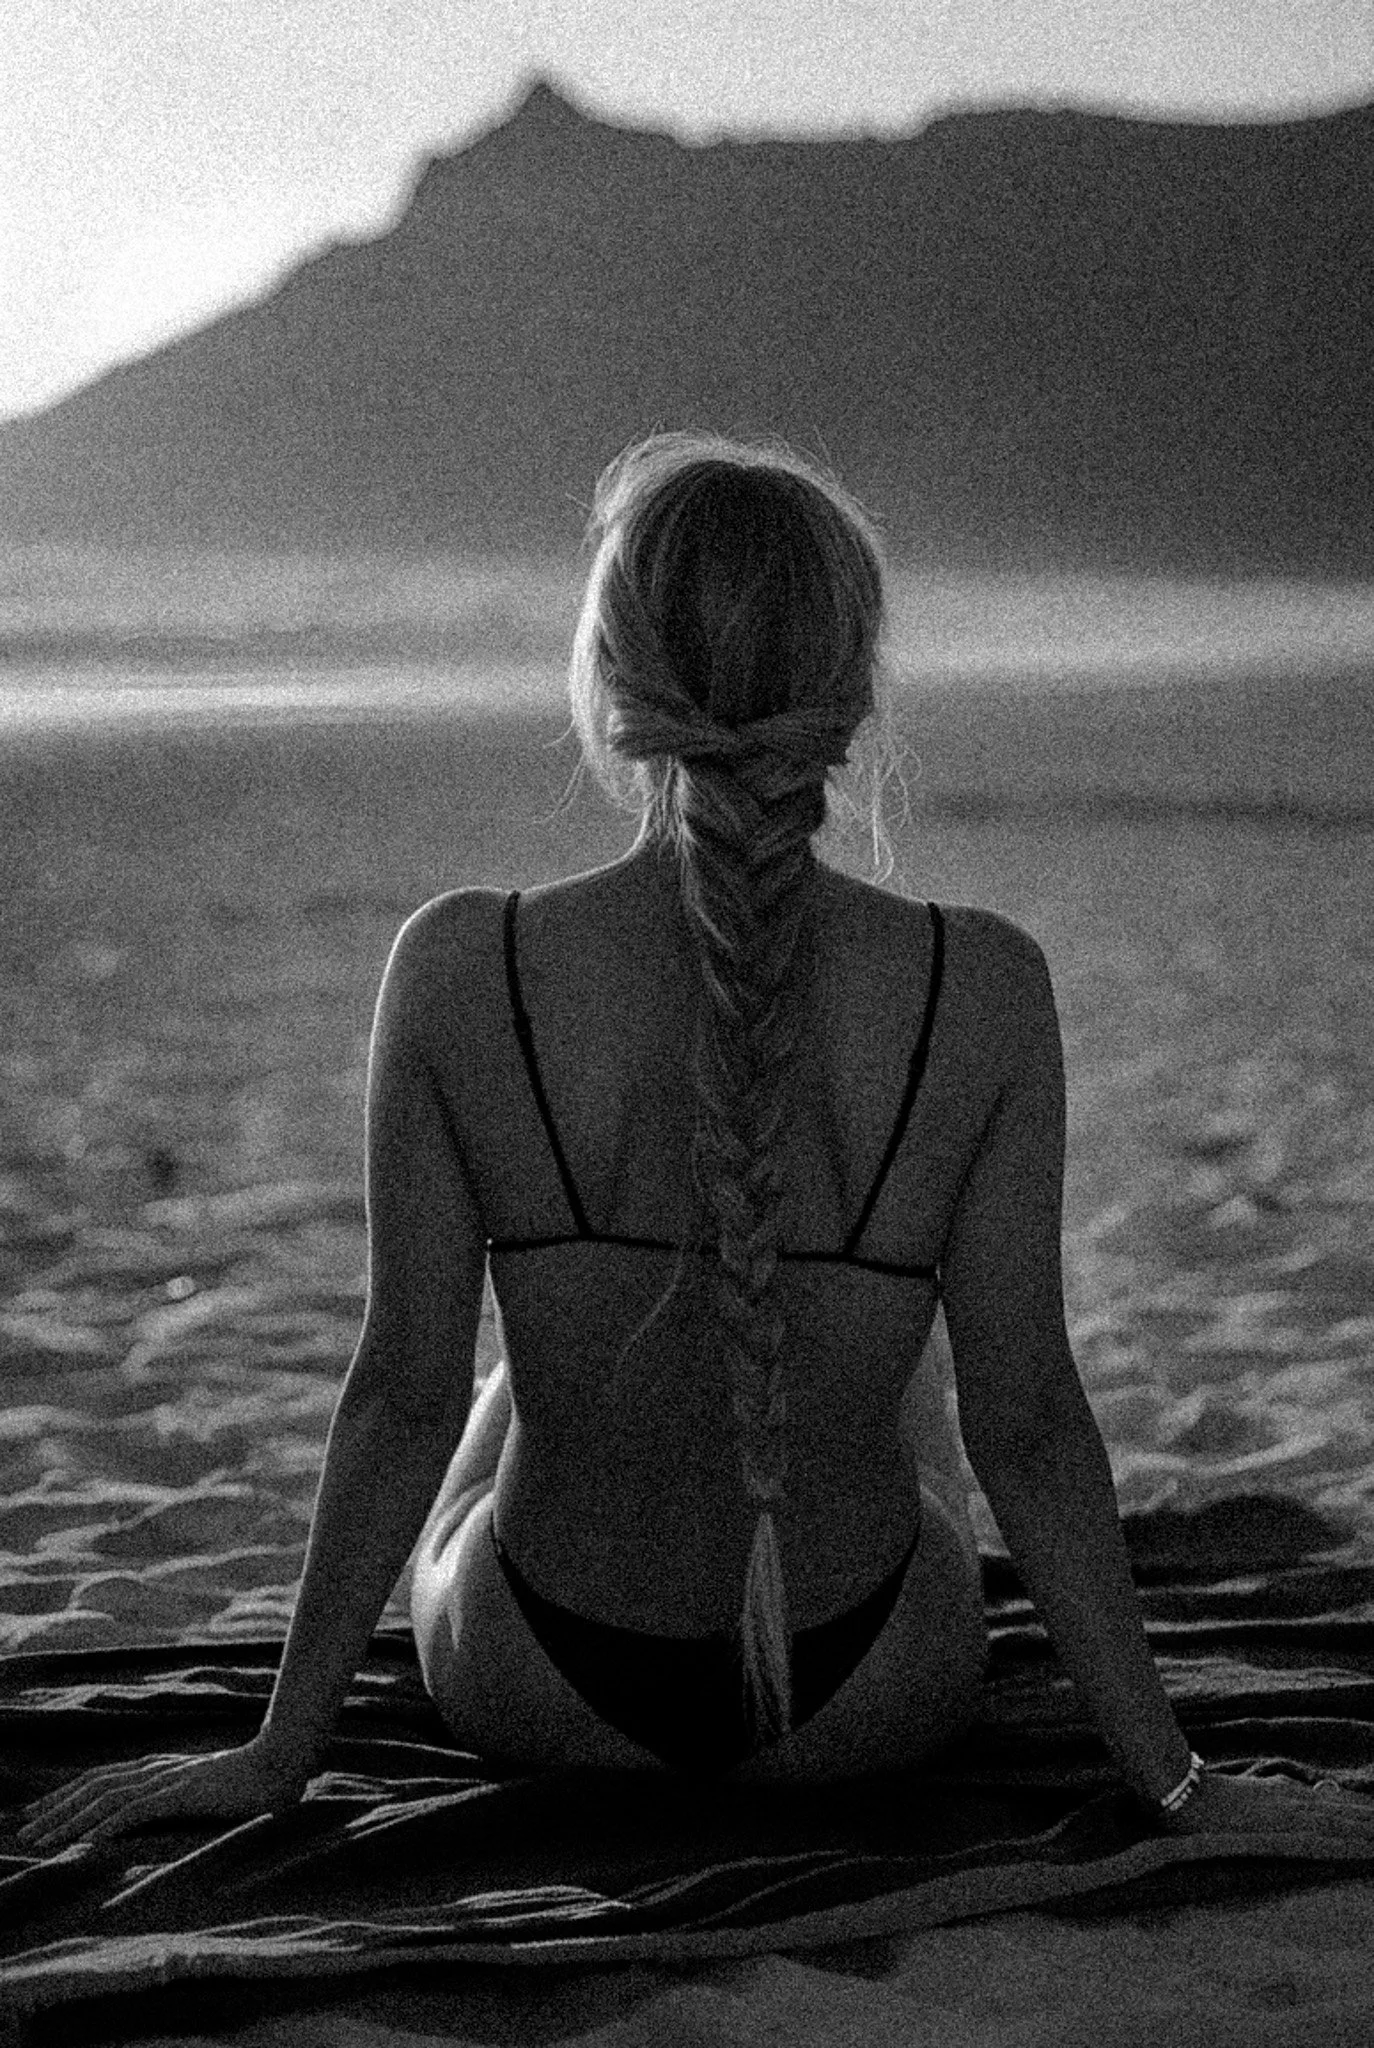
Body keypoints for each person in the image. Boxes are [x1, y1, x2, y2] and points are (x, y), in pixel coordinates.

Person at [18, 433, 1374, 1849]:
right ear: (851, 691)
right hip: (865, 1696)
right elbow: (1026, 1423)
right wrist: (1177, 1784)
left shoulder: (460, 966)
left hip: (542, 1681)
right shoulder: (981, 987)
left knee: (498, 1381)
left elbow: (397, 1399)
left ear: (611, 680)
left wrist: (275, 1756)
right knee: (908, 1366)